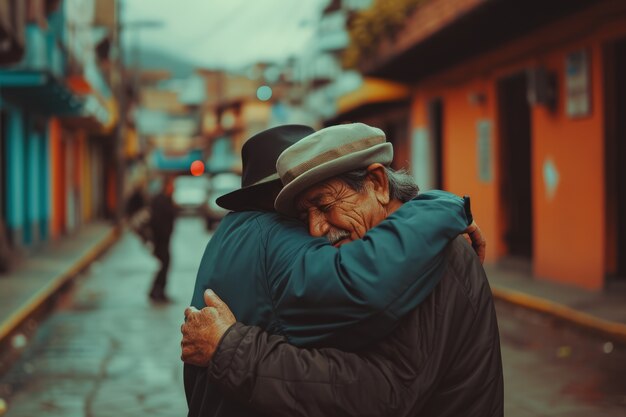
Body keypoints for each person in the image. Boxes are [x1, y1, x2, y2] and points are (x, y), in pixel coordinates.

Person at [183, 124, 482, 417]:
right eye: (302, 215)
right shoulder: (408, 248)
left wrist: (227, 348)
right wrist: (446, 206)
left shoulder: (430, 254)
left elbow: (385, 393)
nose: (314, 230)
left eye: (324, 205)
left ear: (377, 183)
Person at [148, 175, 178, 302]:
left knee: (164, 265)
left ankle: (158, 291)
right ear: (167, 186)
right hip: (160, 240)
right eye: (172, 186)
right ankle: (156, 291)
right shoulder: (161, 200)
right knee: (164, 264)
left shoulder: (167, 199)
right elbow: (156, 221)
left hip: (164, 240)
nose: (173, 188)